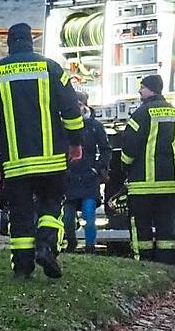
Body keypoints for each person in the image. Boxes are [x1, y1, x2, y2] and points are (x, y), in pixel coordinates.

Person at [0, 23, 84, 280]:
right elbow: (71, 110)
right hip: (52, 159)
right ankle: (46, 245)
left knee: (21, 213)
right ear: (30, 42)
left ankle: (23, 268)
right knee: (51, 205)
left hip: (17, 162)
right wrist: (76, 142)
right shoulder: (51, 68)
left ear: (10, 44)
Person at [121, 74, 175, 264]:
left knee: (141, 226)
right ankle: (166, 263)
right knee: (167, 227)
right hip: (170, 184)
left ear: (150, 89)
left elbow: (130, 145)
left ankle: (143, 262)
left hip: (143, 184)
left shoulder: (141, 113)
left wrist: (124, 167)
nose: (139, 91)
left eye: (142, 87)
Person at [62, 91, 111, 254]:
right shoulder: (64, 126)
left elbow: (105, 150)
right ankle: (71, 241)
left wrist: (96, 168)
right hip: (69, 178)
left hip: (89, 178)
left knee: (89, 216)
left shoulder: (95, 127)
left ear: (84, 105)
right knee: (67, 218)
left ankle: (90, 246)